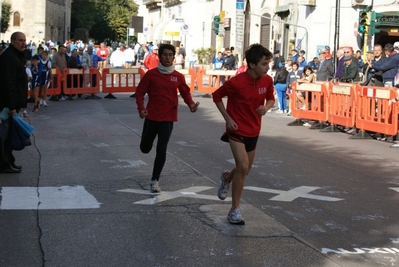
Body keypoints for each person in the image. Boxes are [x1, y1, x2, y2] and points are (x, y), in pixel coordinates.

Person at [213, 44, 275, 225]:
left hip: (254, 129)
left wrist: (266, 108)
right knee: (242, 167)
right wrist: (227, 119)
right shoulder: (237, 82)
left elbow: (271, 98)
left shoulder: (267, 81)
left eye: (268, 63)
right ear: (253, 65)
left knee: (245, 169)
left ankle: (226, 178)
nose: (267, 67)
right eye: (264, 64)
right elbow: (217, 96)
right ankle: (234, 210)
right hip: (236, 129)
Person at [135, 44, 199, 193]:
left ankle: (154, 180)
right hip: (151, 117)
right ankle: (146, 145)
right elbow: (140, 92)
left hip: (168, 118)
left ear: (174, 57)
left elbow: (185, 93)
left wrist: (191, 105)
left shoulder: (178, 76)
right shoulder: (151, 75)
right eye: (165, 55)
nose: (168, 57)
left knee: (162, 149)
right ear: (160, 56)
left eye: (171, 55)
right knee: (145, 148)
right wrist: (141, 108)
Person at [0, 31, 28, 173]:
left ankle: (9, 161)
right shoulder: (9, 57)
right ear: (12, 41)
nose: (23, 43)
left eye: (24, 40)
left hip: (13, 102)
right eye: (20, 40)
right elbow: (8, 83)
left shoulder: (15, 56)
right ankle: (4, 164)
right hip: (7, 104)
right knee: (5, 135)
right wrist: (11, 106)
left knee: (10, 134)